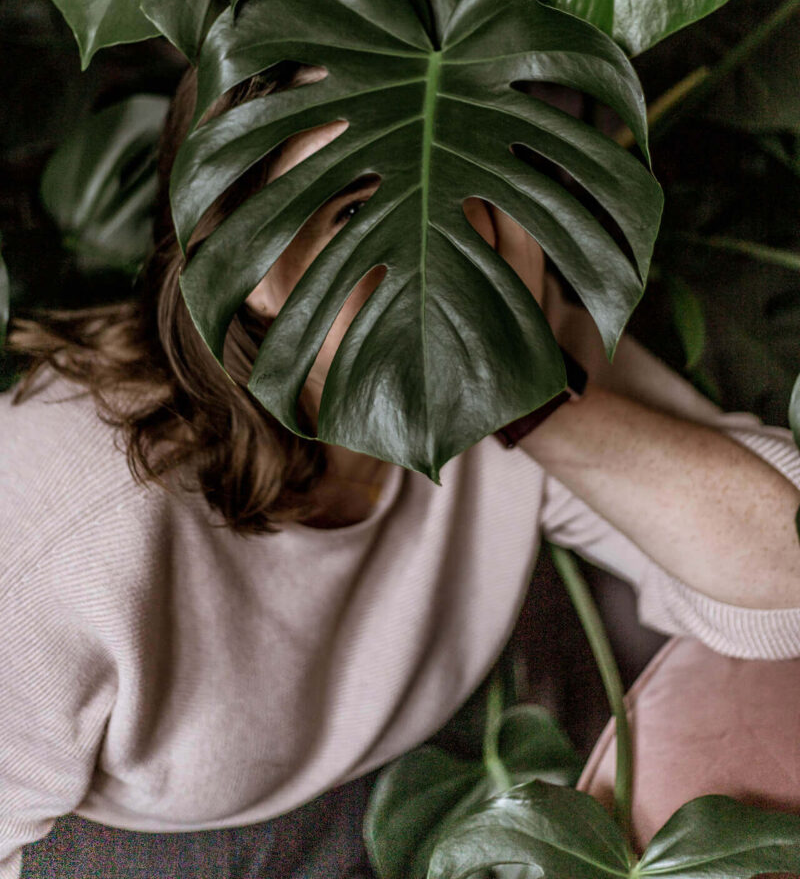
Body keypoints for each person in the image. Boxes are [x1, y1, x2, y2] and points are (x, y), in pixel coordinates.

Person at [2, 65, 800, 879]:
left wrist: (527, 395)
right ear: (242, 264)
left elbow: (786, 579)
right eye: (353, 211)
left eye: (462, 184)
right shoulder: (61, 512)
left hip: (403, 809)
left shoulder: (529, 340)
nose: (434, 263)